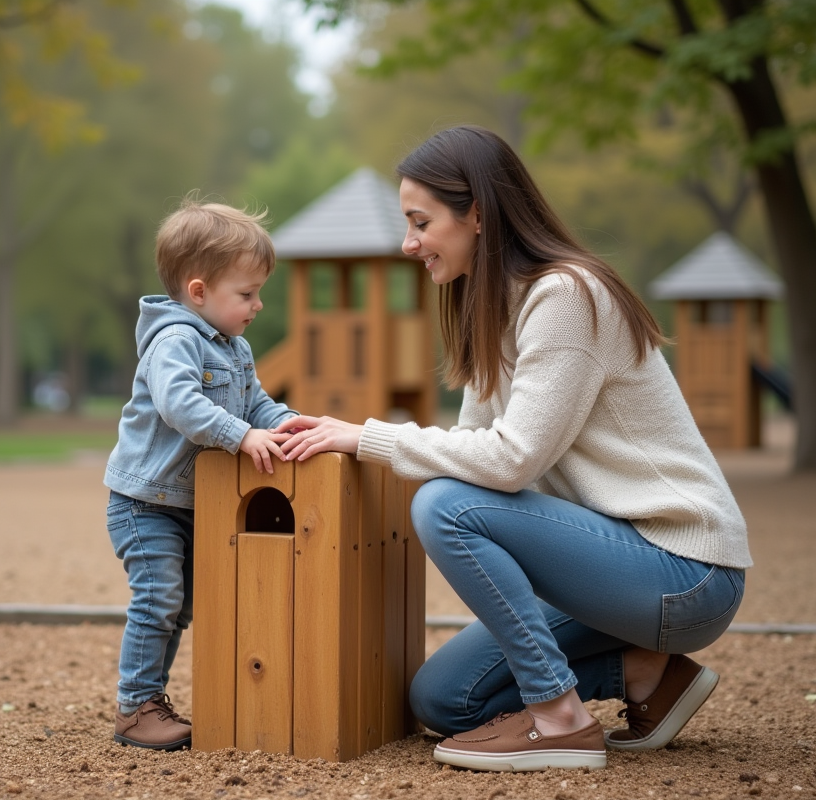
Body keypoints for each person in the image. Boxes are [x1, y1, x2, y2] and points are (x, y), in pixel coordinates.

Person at [277, 125, 750, 773]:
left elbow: (510, 461)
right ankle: (646, 673)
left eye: (421, 221)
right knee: (445, 699)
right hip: (615, 568)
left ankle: (559, 719)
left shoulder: (567, 296)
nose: (407, 243)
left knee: (445, 505)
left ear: (477, 213)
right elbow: (474, 444)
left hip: (682, 571)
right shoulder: (490, 306)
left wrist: (366, 435)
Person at [104, 197, 297, 751]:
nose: (257, 305)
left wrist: (288, 425)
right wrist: (242, 437)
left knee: (183, 605)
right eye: (246, 293)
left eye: (259, 292)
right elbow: (179, 405)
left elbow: (257, 403)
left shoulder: (234, 347)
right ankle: (134, 707)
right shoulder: (175, 341)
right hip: (145, 503)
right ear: (198, 292)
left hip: (190, 504)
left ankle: (149, 701)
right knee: (158, 598)